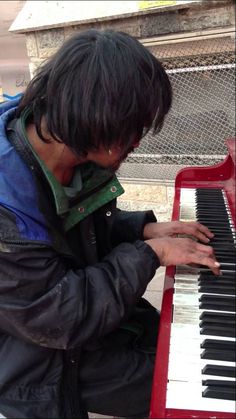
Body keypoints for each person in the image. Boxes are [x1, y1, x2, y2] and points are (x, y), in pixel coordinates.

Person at [0, 29, 220, 419]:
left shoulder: (59, 144)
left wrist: (141, 230)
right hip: (36, 358)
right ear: (93, 119)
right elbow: (55, 316)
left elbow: (72, 231)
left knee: (178, 339)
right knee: (193, 386)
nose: (136, 142)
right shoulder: (6, 211)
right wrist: (147, 254)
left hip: (79, 322)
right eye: (132, 129)